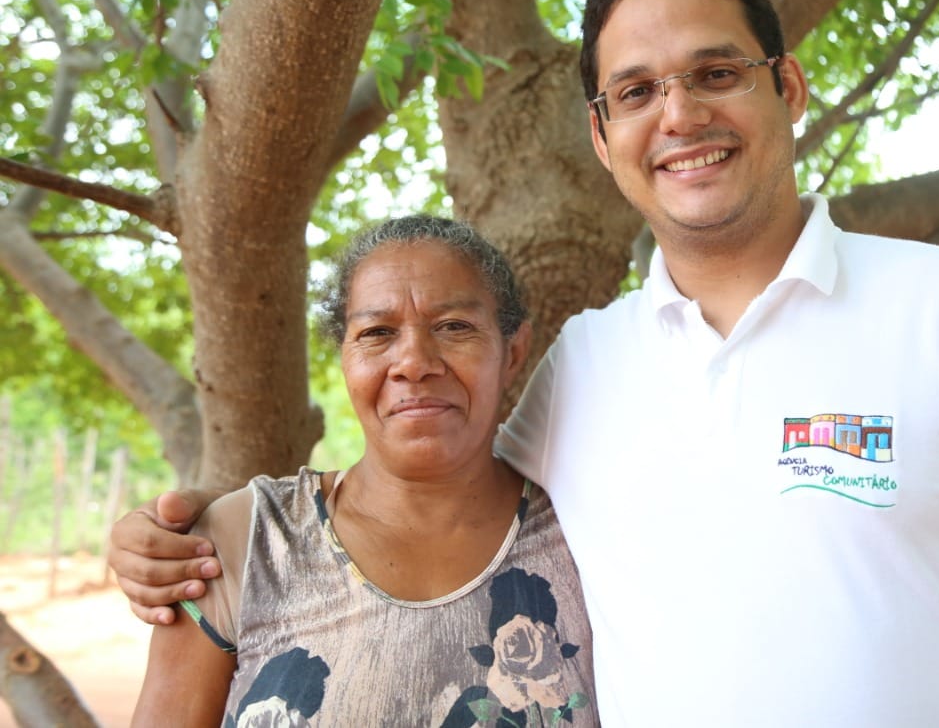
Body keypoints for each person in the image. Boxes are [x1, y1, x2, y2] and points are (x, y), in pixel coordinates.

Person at [111, 0, 939, 726]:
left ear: (786, 87)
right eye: (635, 91)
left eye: (715, 73)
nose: (679, 114)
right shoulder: (582, 367)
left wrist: (927, 634)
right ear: (602, 136)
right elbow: (433, 490)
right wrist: (191, 539)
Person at [130, 216, 596, 726]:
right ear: (346, 359)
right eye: (377, 333)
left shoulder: (586, 533)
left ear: (514, 352)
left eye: (454, 326)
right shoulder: (246, 540)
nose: (413, 362)